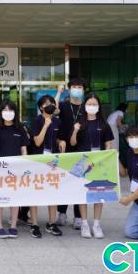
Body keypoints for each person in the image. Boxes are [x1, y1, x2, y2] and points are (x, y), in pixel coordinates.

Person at [70, 93, 114, 239]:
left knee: (98, 194)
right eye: (89, 104)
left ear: (99, 106)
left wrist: (106, 159)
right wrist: (75, 130)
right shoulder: (80, 123)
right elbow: (72, 143)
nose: (92, 106)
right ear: (84, 106)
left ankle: (96, 224)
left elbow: (108, 144)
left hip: (99, 163)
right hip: (83, 162)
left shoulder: (104, 125)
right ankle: (84, 223)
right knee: (83, 193)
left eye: (94, 104)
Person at [0, 100, 33, 238]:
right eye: (5, 110)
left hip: (16, 168)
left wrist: (25, 164)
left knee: (14, 197)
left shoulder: (20, 128)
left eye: (10, 110)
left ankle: (13, 225)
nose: (8, 113)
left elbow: (24, 149)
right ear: (1, 112)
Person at [30, 94, 64, 237]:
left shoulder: (58, 121)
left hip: (53, 161)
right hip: (38, 160)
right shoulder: (36, 121)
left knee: (53, 191)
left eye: (51, 103)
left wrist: (61, 142)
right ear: (40, 107)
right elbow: (37, 142)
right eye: (46, 104)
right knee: (35, 191)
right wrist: (45, 125)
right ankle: (34, 224)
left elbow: (58, 138)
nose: (49, 105)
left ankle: (52, 222)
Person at [56, 77, 87, 229]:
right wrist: (58, 93)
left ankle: (78, 216)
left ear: (84, 90)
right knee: (64, 182)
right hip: (64, 149)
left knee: (79, 183)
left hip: (82, 148)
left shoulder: (87, 107)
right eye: (74, 86)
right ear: (69, 89)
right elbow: (53, 110)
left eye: (80, 87)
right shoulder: (63, 105)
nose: (77, 89)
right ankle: (61, 213)